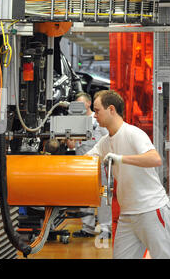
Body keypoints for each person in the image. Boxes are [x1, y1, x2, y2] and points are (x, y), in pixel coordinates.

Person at [86, 89, 170, 259]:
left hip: (150, 208)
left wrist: (120, 158)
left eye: (97, 111)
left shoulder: (133, 133)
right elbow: (86, 159)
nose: (95, 116)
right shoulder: (104, 143)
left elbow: (155, 159)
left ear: (111, 109)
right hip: (127, 214)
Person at [67, 92, 111, 240]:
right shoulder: (74, 122)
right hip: (82, 167)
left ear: (88, 103)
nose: (78, 106)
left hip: (100, 167)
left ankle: (106, 228)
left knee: (103, 196)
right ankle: (88, 228)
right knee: (84, 197)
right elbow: (71, 145)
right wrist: (71, 138)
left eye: (81, 103)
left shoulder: (98, 120)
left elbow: (109, 137)